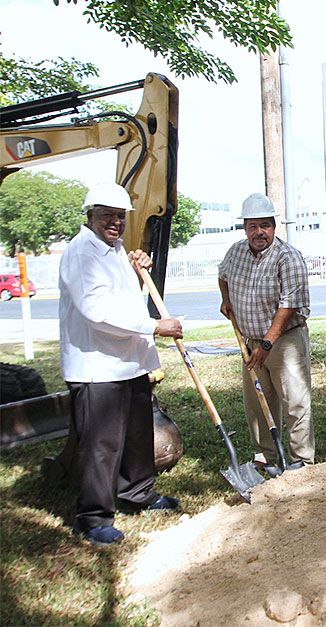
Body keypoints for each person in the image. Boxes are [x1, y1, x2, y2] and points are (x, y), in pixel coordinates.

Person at [59, 182, 183, 546]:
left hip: (128, 364)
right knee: (102, 445)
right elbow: (98, 312)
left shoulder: (114, 251)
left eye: (119, 216)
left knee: (136, 438)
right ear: (90, 215)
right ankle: (93, 518)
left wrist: (137, 264)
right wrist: (154, 327)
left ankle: (138, 495)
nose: (115, 222)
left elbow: (126, 298)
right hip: (97, 368)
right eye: (107, 216)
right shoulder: (82, 253)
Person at [219, 193, 315, 472]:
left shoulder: (288, 258)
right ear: (245, 228)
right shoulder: (235, 252)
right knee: (258, 402)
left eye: (265, 225)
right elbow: (222, 275)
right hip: (250, 343)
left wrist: (267, 344)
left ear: (274, 226)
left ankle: (302, 460)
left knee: (295, 401)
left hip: (284, 342)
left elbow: (288, 307)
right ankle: (265, 456)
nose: (259, 232)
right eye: (252, 226)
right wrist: (226, 300)